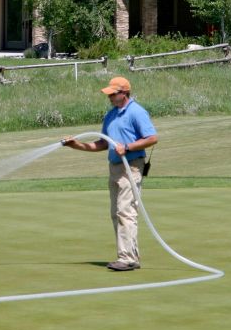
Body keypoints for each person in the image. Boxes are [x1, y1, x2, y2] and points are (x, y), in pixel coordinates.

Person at [60, 76, 158, 271]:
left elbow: (152, 138)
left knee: (125, 212)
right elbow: (103, 143)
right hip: (114, 167)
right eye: (110, 94)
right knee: (116, 213)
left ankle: (128, 258)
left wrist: (128, 147)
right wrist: (76, 145)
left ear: (124, 93)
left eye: (113, 94)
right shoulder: (111, 115)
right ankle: (130, 256)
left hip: (131, 166)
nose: (110, 97)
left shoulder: (137, 112)